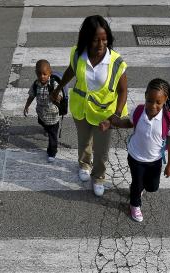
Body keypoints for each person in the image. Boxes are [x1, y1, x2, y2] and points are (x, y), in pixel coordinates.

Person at [50, 15, 128, 197]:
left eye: (104, 39)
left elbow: (123, 91)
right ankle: (84, 164)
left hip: (105, 115)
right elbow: (71, 70)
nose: (101, 45)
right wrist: (59, 88)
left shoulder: (116, 62)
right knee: (84, 141)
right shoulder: (78, 54)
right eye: (95, 40)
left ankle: (99, 177)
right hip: (82, 109)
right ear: (87, 39)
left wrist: (115, 116)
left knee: (101, 151)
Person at [110, 78, 170, 222]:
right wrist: (116, 122)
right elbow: (130, 123)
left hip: (155, 160)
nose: (153, 106)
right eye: (150, 101)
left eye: (158, 102)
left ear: (165, 100)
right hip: (135, 157)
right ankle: (134, 205)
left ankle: (139, 188)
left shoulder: (169, 120)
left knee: (152, 187)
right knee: (137, 184)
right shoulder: (138, 111)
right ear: (145, 96)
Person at [24, 59, 62, 163]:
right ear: (36, 73)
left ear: (50, 72)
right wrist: (27, 105)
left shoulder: (53, 84)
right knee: (43, 123)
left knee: (52, 136)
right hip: (41, 113)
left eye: (45, 74)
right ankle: (46, 128)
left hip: (53, 115)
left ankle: (52, 152)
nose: (42, 76)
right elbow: (31, 96)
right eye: (39, 74)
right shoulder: (36, 84)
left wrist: (55, 95)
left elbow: (60, 98)